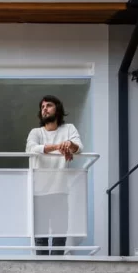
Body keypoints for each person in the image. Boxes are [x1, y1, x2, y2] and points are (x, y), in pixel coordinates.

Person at [26, 96, 83, 255]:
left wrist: (69, 145)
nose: (44, 109)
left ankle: (57, 269)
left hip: (60, 191)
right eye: (42, 106)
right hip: (39, 192)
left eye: (49, 105)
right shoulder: (36, 132)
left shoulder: (68, 129)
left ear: (57, 109)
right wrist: (58, 146)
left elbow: (79, 148)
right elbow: (31, 149)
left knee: (59, 236)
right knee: (41, 238)